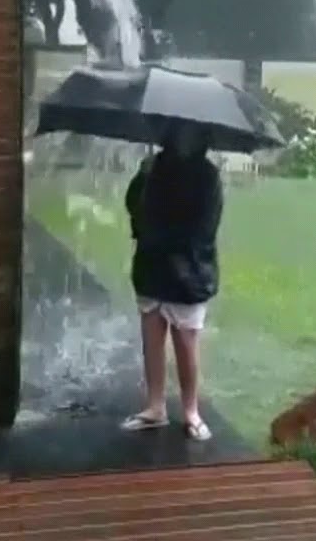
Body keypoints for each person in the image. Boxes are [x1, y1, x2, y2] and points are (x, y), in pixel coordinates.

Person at [120, 121, 223, 442]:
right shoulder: (151, 167)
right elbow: (132, 203)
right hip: (152, 266)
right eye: (179, 131)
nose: (183, 137)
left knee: (186, 343)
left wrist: (164, 233)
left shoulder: (208, 177)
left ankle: (191, 410)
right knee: (151, 338)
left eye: (190, 132)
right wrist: (146, 181)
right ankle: (155, 407)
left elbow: (205, 226)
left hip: (188, 271)